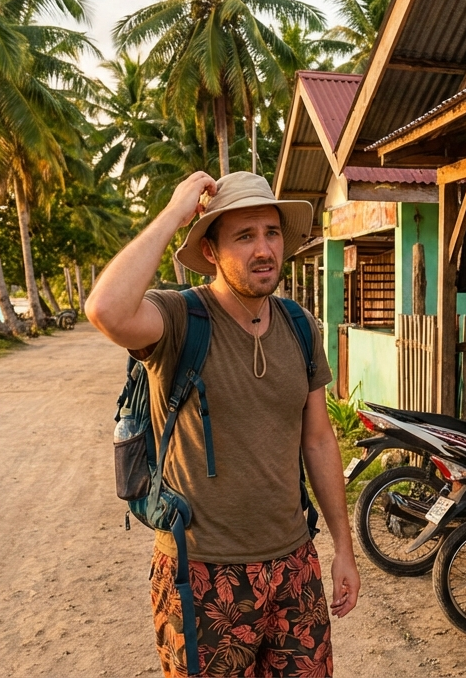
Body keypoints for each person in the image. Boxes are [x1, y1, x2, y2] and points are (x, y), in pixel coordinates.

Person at [86, 170, 360, 677]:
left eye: (271, 233)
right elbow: (105, 309)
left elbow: (319, 440)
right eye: (244, 235)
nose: (263, 249)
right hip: (201, 573)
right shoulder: (178, 319)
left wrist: (343, 547)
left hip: (294, 567)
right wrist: (174, 211)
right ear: (210, 250)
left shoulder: (300, 326)